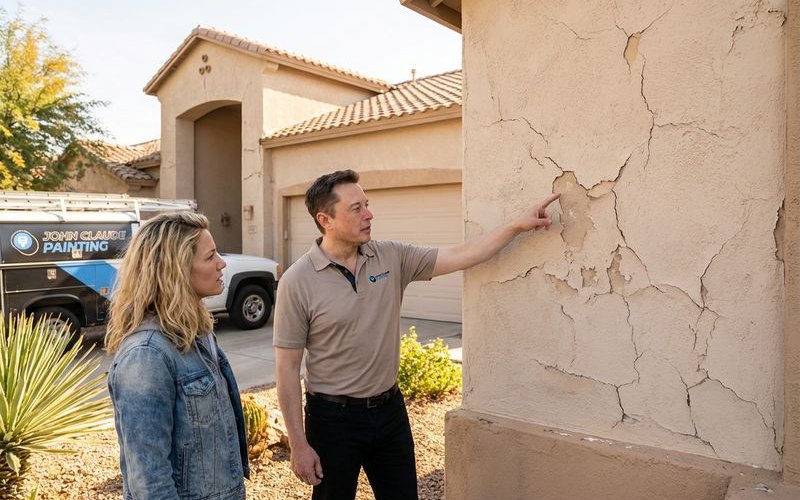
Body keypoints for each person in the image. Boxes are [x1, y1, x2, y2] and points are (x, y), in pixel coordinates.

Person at [274, 169, 560, 500]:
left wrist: (516, 226)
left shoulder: (390, 257)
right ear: (326, 220)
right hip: (332, 420)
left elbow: (461, 255)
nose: (369, 214)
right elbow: (286, 369)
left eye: (367, 204)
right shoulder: (297, 281)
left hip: (389, 411)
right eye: (356, 208)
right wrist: (299, 444)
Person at [105, 212, 249, 499]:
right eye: (210, 257)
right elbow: (149, 481)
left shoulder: (197, 333)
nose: (221, 263)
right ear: (176, 270)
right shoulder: (146, 355)